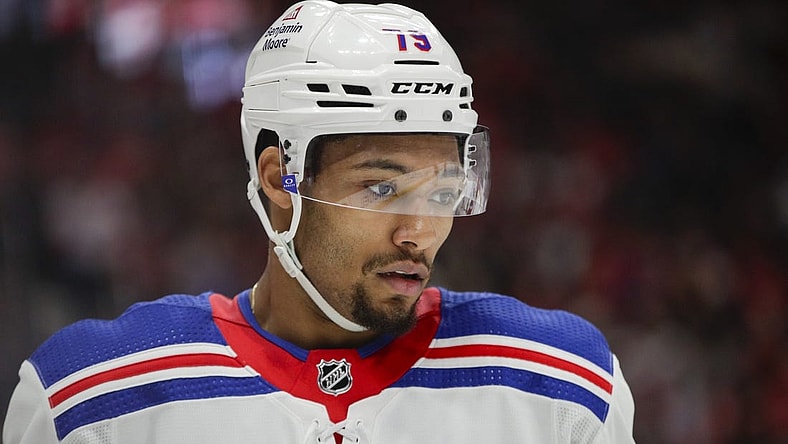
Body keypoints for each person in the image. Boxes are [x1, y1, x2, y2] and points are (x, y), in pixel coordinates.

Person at [3, 1, 635, 442]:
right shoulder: (90, 399)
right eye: (382, 187)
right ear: (282, 179)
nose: (417, 231)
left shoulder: (560, 386)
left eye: (443, 191)